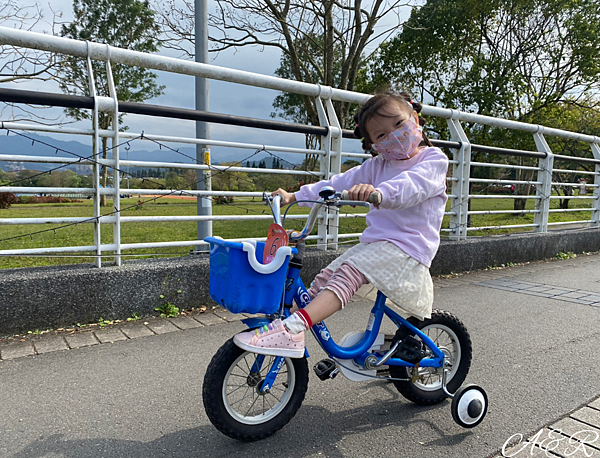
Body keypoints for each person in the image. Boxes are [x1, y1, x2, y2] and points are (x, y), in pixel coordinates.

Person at [234, 91, 449, 358]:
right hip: (376, 245)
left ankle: (293, 327)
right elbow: (336, 185)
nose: (393, 136)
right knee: (325, 277)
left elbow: (414, 185)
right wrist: (295, 196)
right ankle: (283, 327)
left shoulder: (433, 160)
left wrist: (380, 193)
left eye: (398, 124)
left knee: (349, 271)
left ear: (414, 118)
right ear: (373, 145)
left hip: (409, 247)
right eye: (381, 136)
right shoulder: (376, 166)